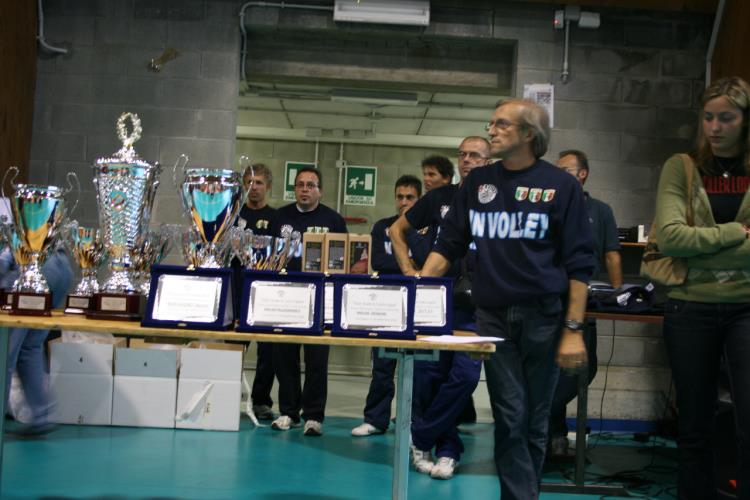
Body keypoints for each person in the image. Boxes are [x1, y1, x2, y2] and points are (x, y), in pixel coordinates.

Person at [412, 99, 594, 498]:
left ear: (529, 134)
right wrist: (417, 295)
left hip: (544, 317)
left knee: (535, 420)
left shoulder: (561, 186)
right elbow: (449, 244)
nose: (491, 131)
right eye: (491, 124)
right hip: (492, 318)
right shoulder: (478, 183)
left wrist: (573, 329)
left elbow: (580, 264)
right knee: (511, 416)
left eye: (501, 125)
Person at [654, 76, 750, 500]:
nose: (715, 127)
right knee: (694, 425)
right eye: (708, 117)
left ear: (745, 120)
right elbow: (671, 238)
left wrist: (700, 250)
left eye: (726, 118)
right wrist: (734, 235)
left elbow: (686, 242)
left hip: (746, 307)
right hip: (690, 307)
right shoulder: (682, 166)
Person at [389, 136, 492, 480]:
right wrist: (409, 270)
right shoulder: (440, 198)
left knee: (464, 377)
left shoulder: (497, 199)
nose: (467, 160)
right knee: (429, 378)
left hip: (477, 307)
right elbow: (396, 230)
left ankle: (420, 436)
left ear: (489, 161)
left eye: (475, 155)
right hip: (437, 300)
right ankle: (447, 451)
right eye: (462, 155)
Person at [547, 149, 623, 457]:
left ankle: (546, 422)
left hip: (585, 302)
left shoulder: (600, 211)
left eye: (565, 170)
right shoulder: (550, 207)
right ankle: (552, 434)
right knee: (550, 368)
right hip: (551, 299)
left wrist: (618, 295)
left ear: (583, 174)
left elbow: (612, 253)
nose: (559, 175)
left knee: (582, 369)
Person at [268, 167, 347, 436]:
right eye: (300, 184)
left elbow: (342, 261)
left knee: (317, 360)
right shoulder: (280, 217)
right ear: (295, 189)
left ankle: (313, 416)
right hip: (287, 294)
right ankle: (288, 412)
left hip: (320, 297)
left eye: (310, 185)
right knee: (284, 357)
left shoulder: (333, 220)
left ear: (320, 191)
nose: (305, 189)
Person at [351, 174, 428, 437]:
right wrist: (409, 264)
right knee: (382, 366)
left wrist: (410, 252)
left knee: (418, 368)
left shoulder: (427, 228)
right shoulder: (382, 226)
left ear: (419, 199)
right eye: (400, 197)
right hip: (386, 303)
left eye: (410, 197)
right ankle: (375, 419)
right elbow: (378, 262)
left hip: (418, 304)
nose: (404, 202)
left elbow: (427, 260)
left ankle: (414, 420)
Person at [0, 247, 73, 435]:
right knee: (29, 347)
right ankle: (42, 415)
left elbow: (6, 256)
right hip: (61, 267)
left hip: (30, 269)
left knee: (5, 352)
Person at [236, 163, 278, 421]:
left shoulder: (276, 218)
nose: (254, 188)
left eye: (259, 182)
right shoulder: (233, 215)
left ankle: (261, 401)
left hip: (265, 292)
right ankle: (228, 394)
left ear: (268, 186)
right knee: (234, 348)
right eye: (249, 182)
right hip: (237, 290)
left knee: (268, 352)